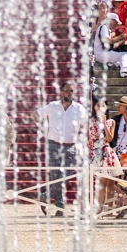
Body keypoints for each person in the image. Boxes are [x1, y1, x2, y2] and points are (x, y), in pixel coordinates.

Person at [41, 83, 84, 213]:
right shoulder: (52, 106)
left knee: (66, 176)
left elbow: (86, 123)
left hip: (70, 146)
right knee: (56, 177)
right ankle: (60, 207)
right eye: (67, 91)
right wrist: (45, 130)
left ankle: (45, 196)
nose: (70, 93)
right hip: (53, 144)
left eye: (72, 91)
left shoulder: (79, 108)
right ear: (62, 92)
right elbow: (35, 115)